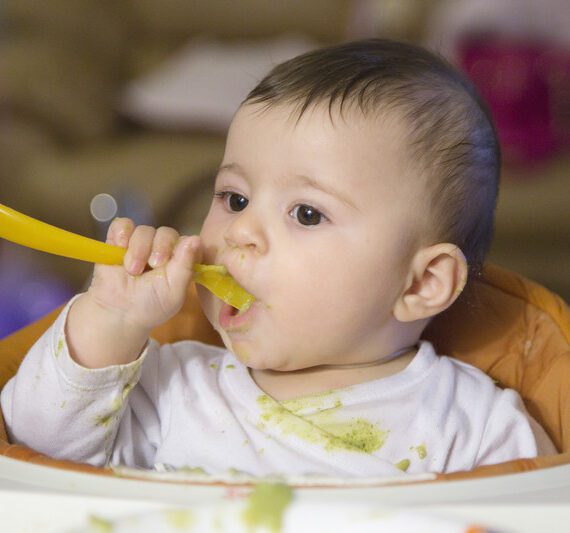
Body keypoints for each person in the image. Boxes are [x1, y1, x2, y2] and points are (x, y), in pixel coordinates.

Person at [0, 39, 556, 478]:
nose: (241, 230)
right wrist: (111, 320)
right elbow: (35, 445)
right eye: (234, 199)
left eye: (307, 214)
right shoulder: (171, 385)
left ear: (421, 284)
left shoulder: (473, 426)